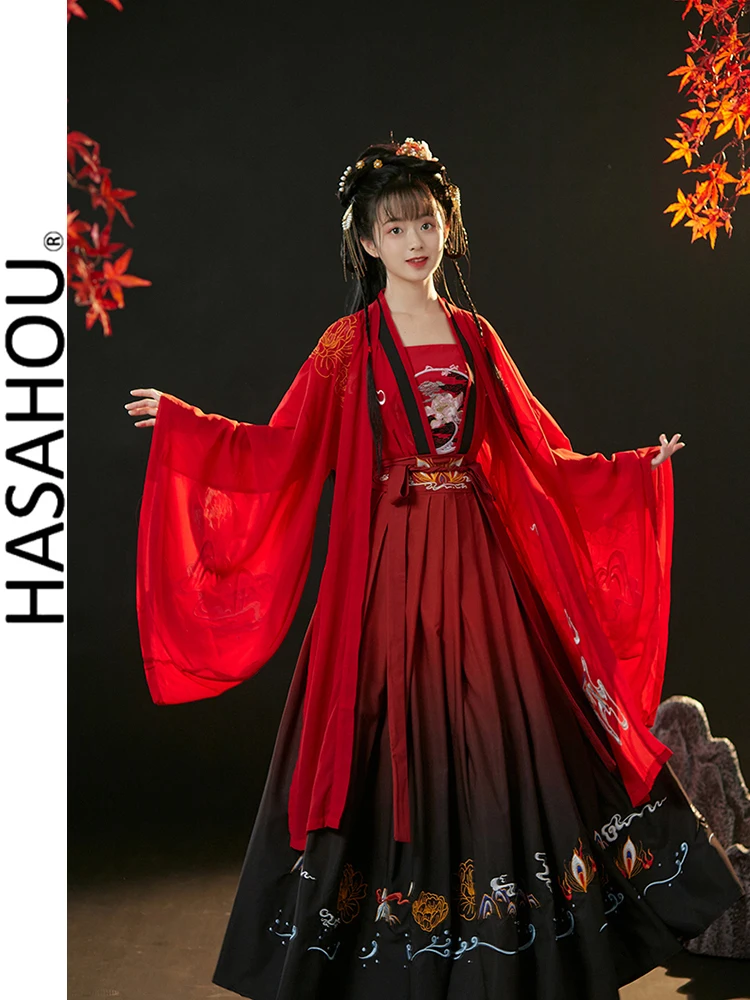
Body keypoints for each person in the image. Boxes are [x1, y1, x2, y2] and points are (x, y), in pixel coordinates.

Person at [126, 138, 744, 1000]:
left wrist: (631, 470)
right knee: (388, 730)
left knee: (508, 728)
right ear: (366, 242)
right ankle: (389, 954)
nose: (415, 240)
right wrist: (192, 428)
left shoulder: (475, 336)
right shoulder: (348, 346)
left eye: (425, 222)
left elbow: (537, 449)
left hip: (483, 567)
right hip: (387, 574)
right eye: (395, 227)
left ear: (446, 225)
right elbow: (284, 447)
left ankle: (523, 949)